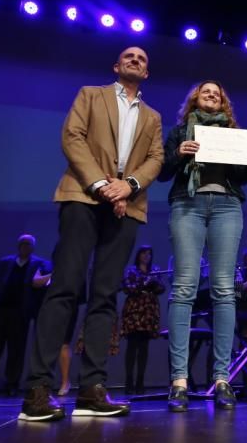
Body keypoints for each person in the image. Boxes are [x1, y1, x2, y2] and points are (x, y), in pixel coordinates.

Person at [20, 46, 164, 422]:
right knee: (65, 287)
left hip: (127, 206)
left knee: (104, 296)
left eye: (142, 59)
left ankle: (92, 390)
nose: (136, 60)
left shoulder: (153, 116)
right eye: (129, 56)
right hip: (83, 196)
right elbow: (73, 138)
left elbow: (156, 159)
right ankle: (37, 388)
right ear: (116, 66)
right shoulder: (90, 94)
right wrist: (103, 185)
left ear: (146, 73)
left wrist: (128, 186)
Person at [160, 79, 247, 411]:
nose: (212, 96)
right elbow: (162, 171)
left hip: (226, 208)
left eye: (217, 94)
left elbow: (242, 178)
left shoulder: (233, 134)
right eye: (206, 92)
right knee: (184, 288)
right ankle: (178, 382)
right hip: (187, 205)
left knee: (223, 289)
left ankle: (222, 380)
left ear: (223, 103)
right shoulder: (179, 132)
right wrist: (178, 155)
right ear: (195, 99)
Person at [0, 235, 51, 397]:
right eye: (23, 244)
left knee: (16, 351)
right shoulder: (6, 262)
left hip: (21, 313)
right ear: (18, 246)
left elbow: (41, 284)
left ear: (33, 247)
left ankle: (12, 384)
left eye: (29, 244)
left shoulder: (38, 263)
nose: (26, 247)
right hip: (2, 311)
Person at [121, 245, 165, 395]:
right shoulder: (131, 270)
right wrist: (144, 284)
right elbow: (127, 287)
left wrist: (154, 284)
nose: (147, 256)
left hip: (149, 310)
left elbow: (162, 288)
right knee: (132, 346)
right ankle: (129, 381)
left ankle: (140, 381)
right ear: (138, 255)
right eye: (144, 253)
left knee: (144, 347)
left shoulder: (155, 269)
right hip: (134, 309)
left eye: (149, 254)